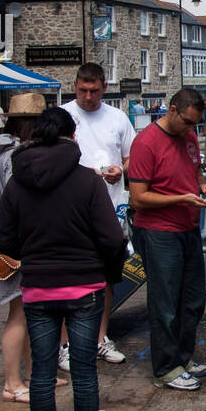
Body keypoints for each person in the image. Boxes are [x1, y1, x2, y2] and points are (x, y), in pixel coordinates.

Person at [0, 107, 126, 411]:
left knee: (41, 374)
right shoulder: (87, 181)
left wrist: (33, 254)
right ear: (72, 138)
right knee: (84, 372)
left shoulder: (19, 182)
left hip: (38, 287)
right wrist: (98, 262)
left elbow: (3, 238)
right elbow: (113, 237)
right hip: (83, 287)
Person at [0, 93, 70, 403]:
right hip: (15, 246)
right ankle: (12, 383)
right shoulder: (15, 158)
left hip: (17, 243)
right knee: (18, 314)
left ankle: (33, 374)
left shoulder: (7, 153)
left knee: (31, 313)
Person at [127, 87, 206, 391]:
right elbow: (138, 198)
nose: (191, 129)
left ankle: (182, 357)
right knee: (165, 302)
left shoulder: (188, 137)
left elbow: (196, 173)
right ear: (173, 110)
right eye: (187, 122)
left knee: (193, 298)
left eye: (195, 124)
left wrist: (204, 187)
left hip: (187, 226)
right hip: (159, 231)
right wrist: (181, 198)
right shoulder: (146, 143)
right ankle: (165, 368)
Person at [60, 62, 134, 366]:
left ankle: (101, 337)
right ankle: (66, 344)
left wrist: (121, 170)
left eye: (93, 90)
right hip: (71, 210)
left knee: (106, 278)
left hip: (110, 208)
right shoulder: (64, 115)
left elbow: (131, 157)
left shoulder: (117, 117)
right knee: (70, 278)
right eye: (82, 90)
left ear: (104, 87)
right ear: (75, 86)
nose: (87, 96)